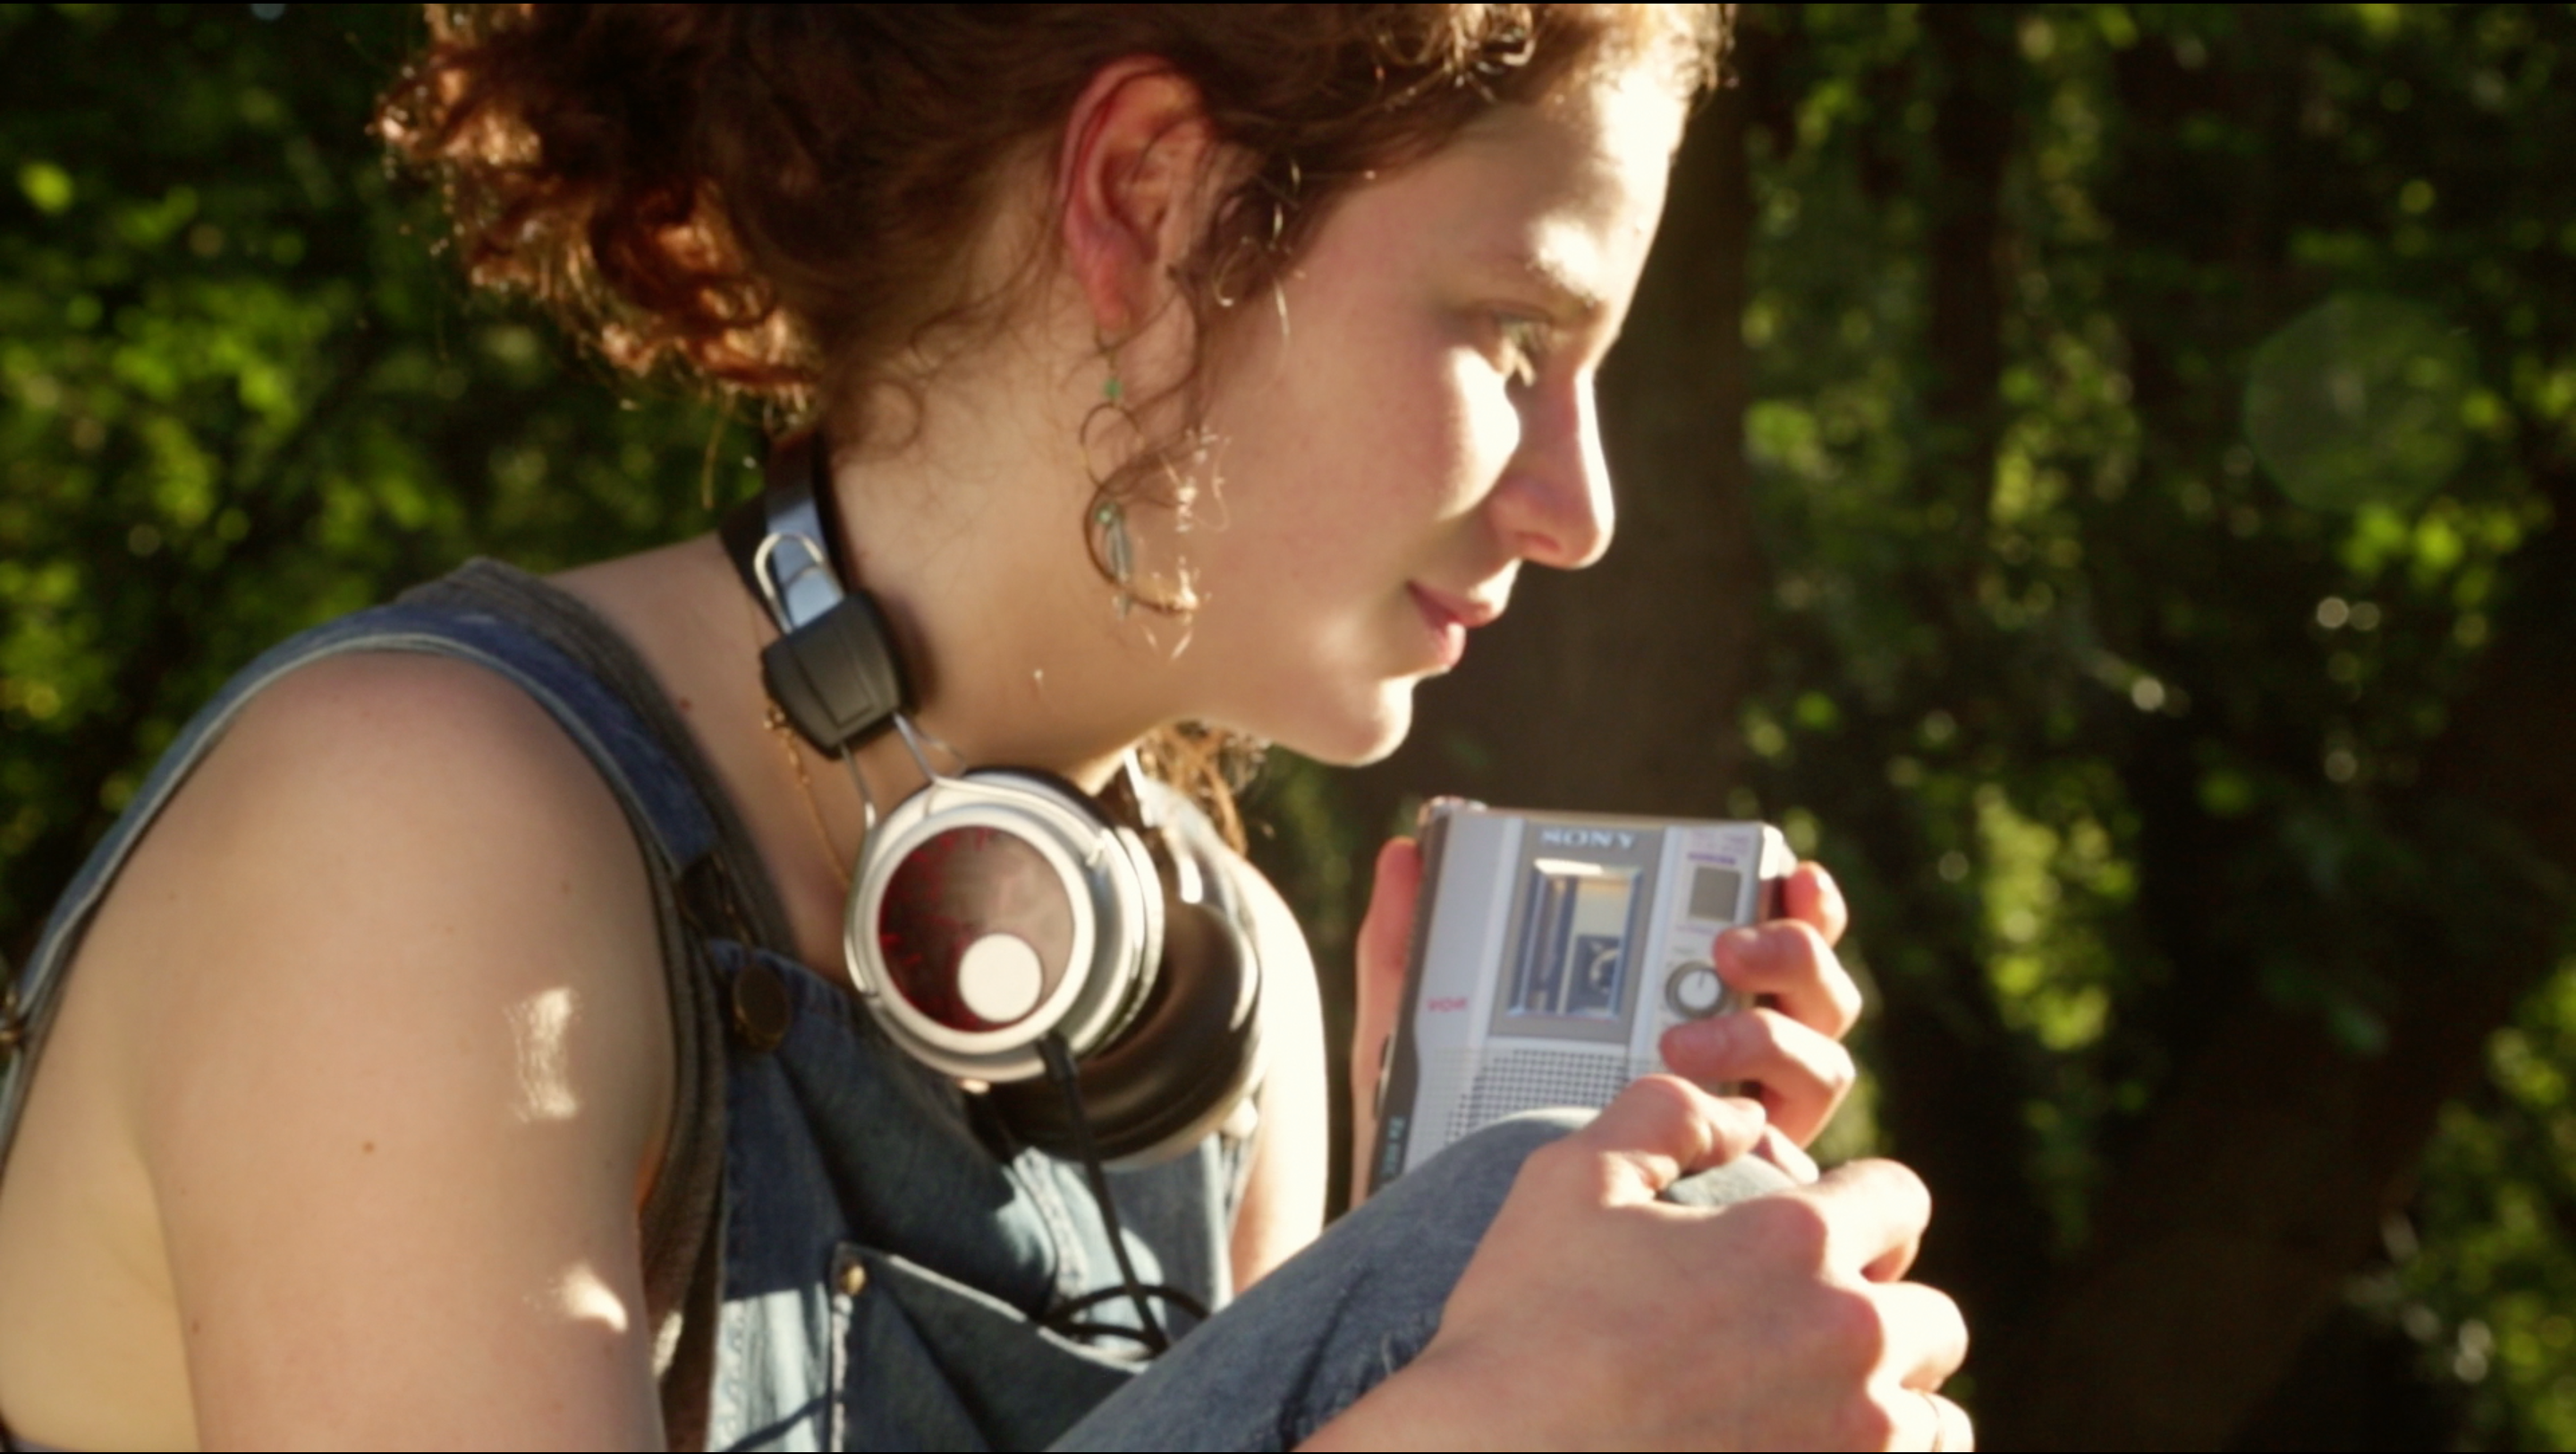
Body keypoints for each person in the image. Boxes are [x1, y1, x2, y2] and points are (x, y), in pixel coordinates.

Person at [0, 5, 1970, 1450]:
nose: (1580, 506)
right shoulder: (414, 829)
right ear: (1152, 198)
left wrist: (1464, 1291)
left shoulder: (1223, 993)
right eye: (1518, 337)